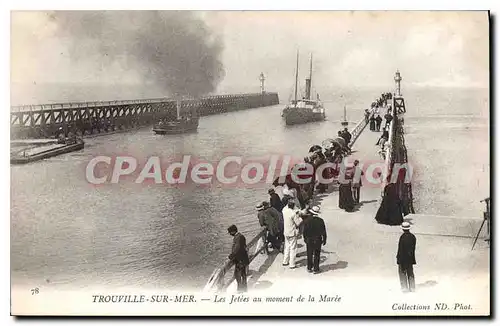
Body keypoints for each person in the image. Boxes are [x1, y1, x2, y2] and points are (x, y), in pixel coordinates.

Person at [302, 206, 327, 274]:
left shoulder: (307, 221)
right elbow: (323, 231)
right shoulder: (320, 220)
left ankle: (309, 268)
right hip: (318, 239)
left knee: (309, 254)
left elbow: (305, 231)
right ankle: (316, 268)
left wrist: (305, 239)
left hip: (309, 240)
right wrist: (324, 239)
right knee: (317, 254)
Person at [227, 225, 250, 292]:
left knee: (237, 275)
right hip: (243, 258)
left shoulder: (237, 237)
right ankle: (244, 288)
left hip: (240, 260)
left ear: (233, 231)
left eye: (230, 232)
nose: (230, 234)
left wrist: (231, 256)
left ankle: (240, 289)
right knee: (243, 274)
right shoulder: (240, 236)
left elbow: (237, 249)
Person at [397, 222, 416, 292]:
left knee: (402, 272)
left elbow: (400, 249)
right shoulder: (413, 236)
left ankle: (404, 287)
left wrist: (398, 258)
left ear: (403, 229)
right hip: (410, 258)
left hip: (403, 258)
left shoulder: (402, 237)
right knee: (410, 272)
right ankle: (412, 287)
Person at [282, 200, 301, 268]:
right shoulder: (293, 214)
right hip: (292, 232)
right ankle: (292, 264)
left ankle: (285, 261)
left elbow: (287, 207)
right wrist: (299, 217)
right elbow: (298, 223)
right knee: (293, 248)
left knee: (287, 246)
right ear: (293, 206)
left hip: (286, 231)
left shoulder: (284, 210)